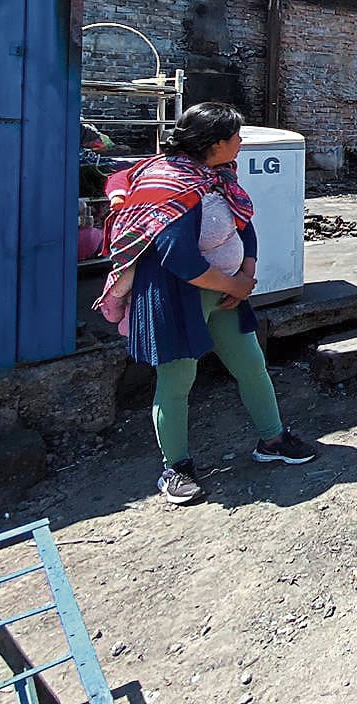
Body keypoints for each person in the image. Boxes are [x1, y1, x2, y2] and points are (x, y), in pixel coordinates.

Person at [96, 102, 316, 506]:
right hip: (178, 295)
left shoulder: (219, 177)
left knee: (251, 365)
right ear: (215, 144)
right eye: (236, 136)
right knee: (177, 381)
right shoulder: (168, 185)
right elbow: (179, 258)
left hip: (226, 294)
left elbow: (243, 226)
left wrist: (246, 275)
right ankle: (175, 468)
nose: (242, 141)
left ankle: (273, 438)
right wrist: (234, 282)